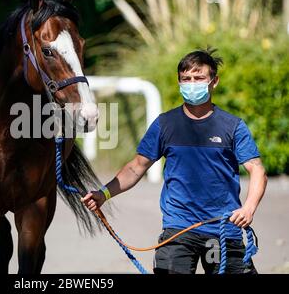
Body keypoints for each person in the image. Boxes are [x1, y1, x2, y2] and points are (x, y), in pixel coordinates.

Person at [81, 48, 267, 274]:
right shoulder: (165, 124)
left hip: (223, 229)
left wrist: (249, 208)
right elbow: (136, 167)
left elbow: (256, 170)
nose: (192, 84)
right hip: (179, 229)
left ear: (214, 81)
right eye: (186, 79)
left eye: (199, 78)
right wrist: (104, 194)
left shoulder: (233, 126)